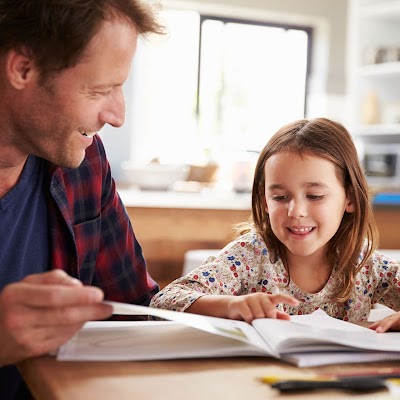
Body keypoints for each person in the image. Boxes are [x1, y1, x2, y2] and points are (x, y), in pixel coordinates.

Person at [0, 0, 164, 398]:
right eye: (101, 90)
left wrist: (200, 312)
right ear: (23, 68)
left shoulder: (84, 162)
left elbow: (133, 306)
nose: (117, 114)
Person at [151, 117, 400, 331]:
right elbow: (163, 302)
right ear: (265, 201)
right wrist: (230, 306)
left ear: (350, 198)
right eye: (280, 197)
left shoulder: (366, 265)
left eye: (314, 196)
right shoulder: (249, 257)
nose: (296, 211)